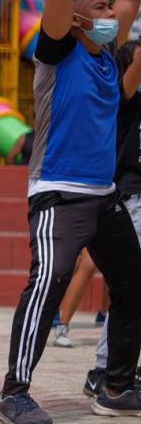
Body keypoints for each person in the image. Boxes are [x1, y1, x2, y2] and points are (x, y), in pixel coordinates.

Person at [0, 0, 141, 424]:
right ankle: (14, 392)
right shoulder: (57, 51)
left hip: (103, 196)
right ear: (75, 18)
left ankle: (116, 385)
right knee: (49, 282)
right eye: (96, 8)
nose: (109, 15)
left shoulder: (107, 56)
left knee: (133, 282)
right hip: (58, 192)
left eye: (107, 8)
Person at [83, 39, 141, 395]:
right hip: (131, 198)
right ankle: (104, 368)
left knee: (133, 291)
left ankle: (119, 367)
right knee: (128, 288)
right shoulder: (123, 98)